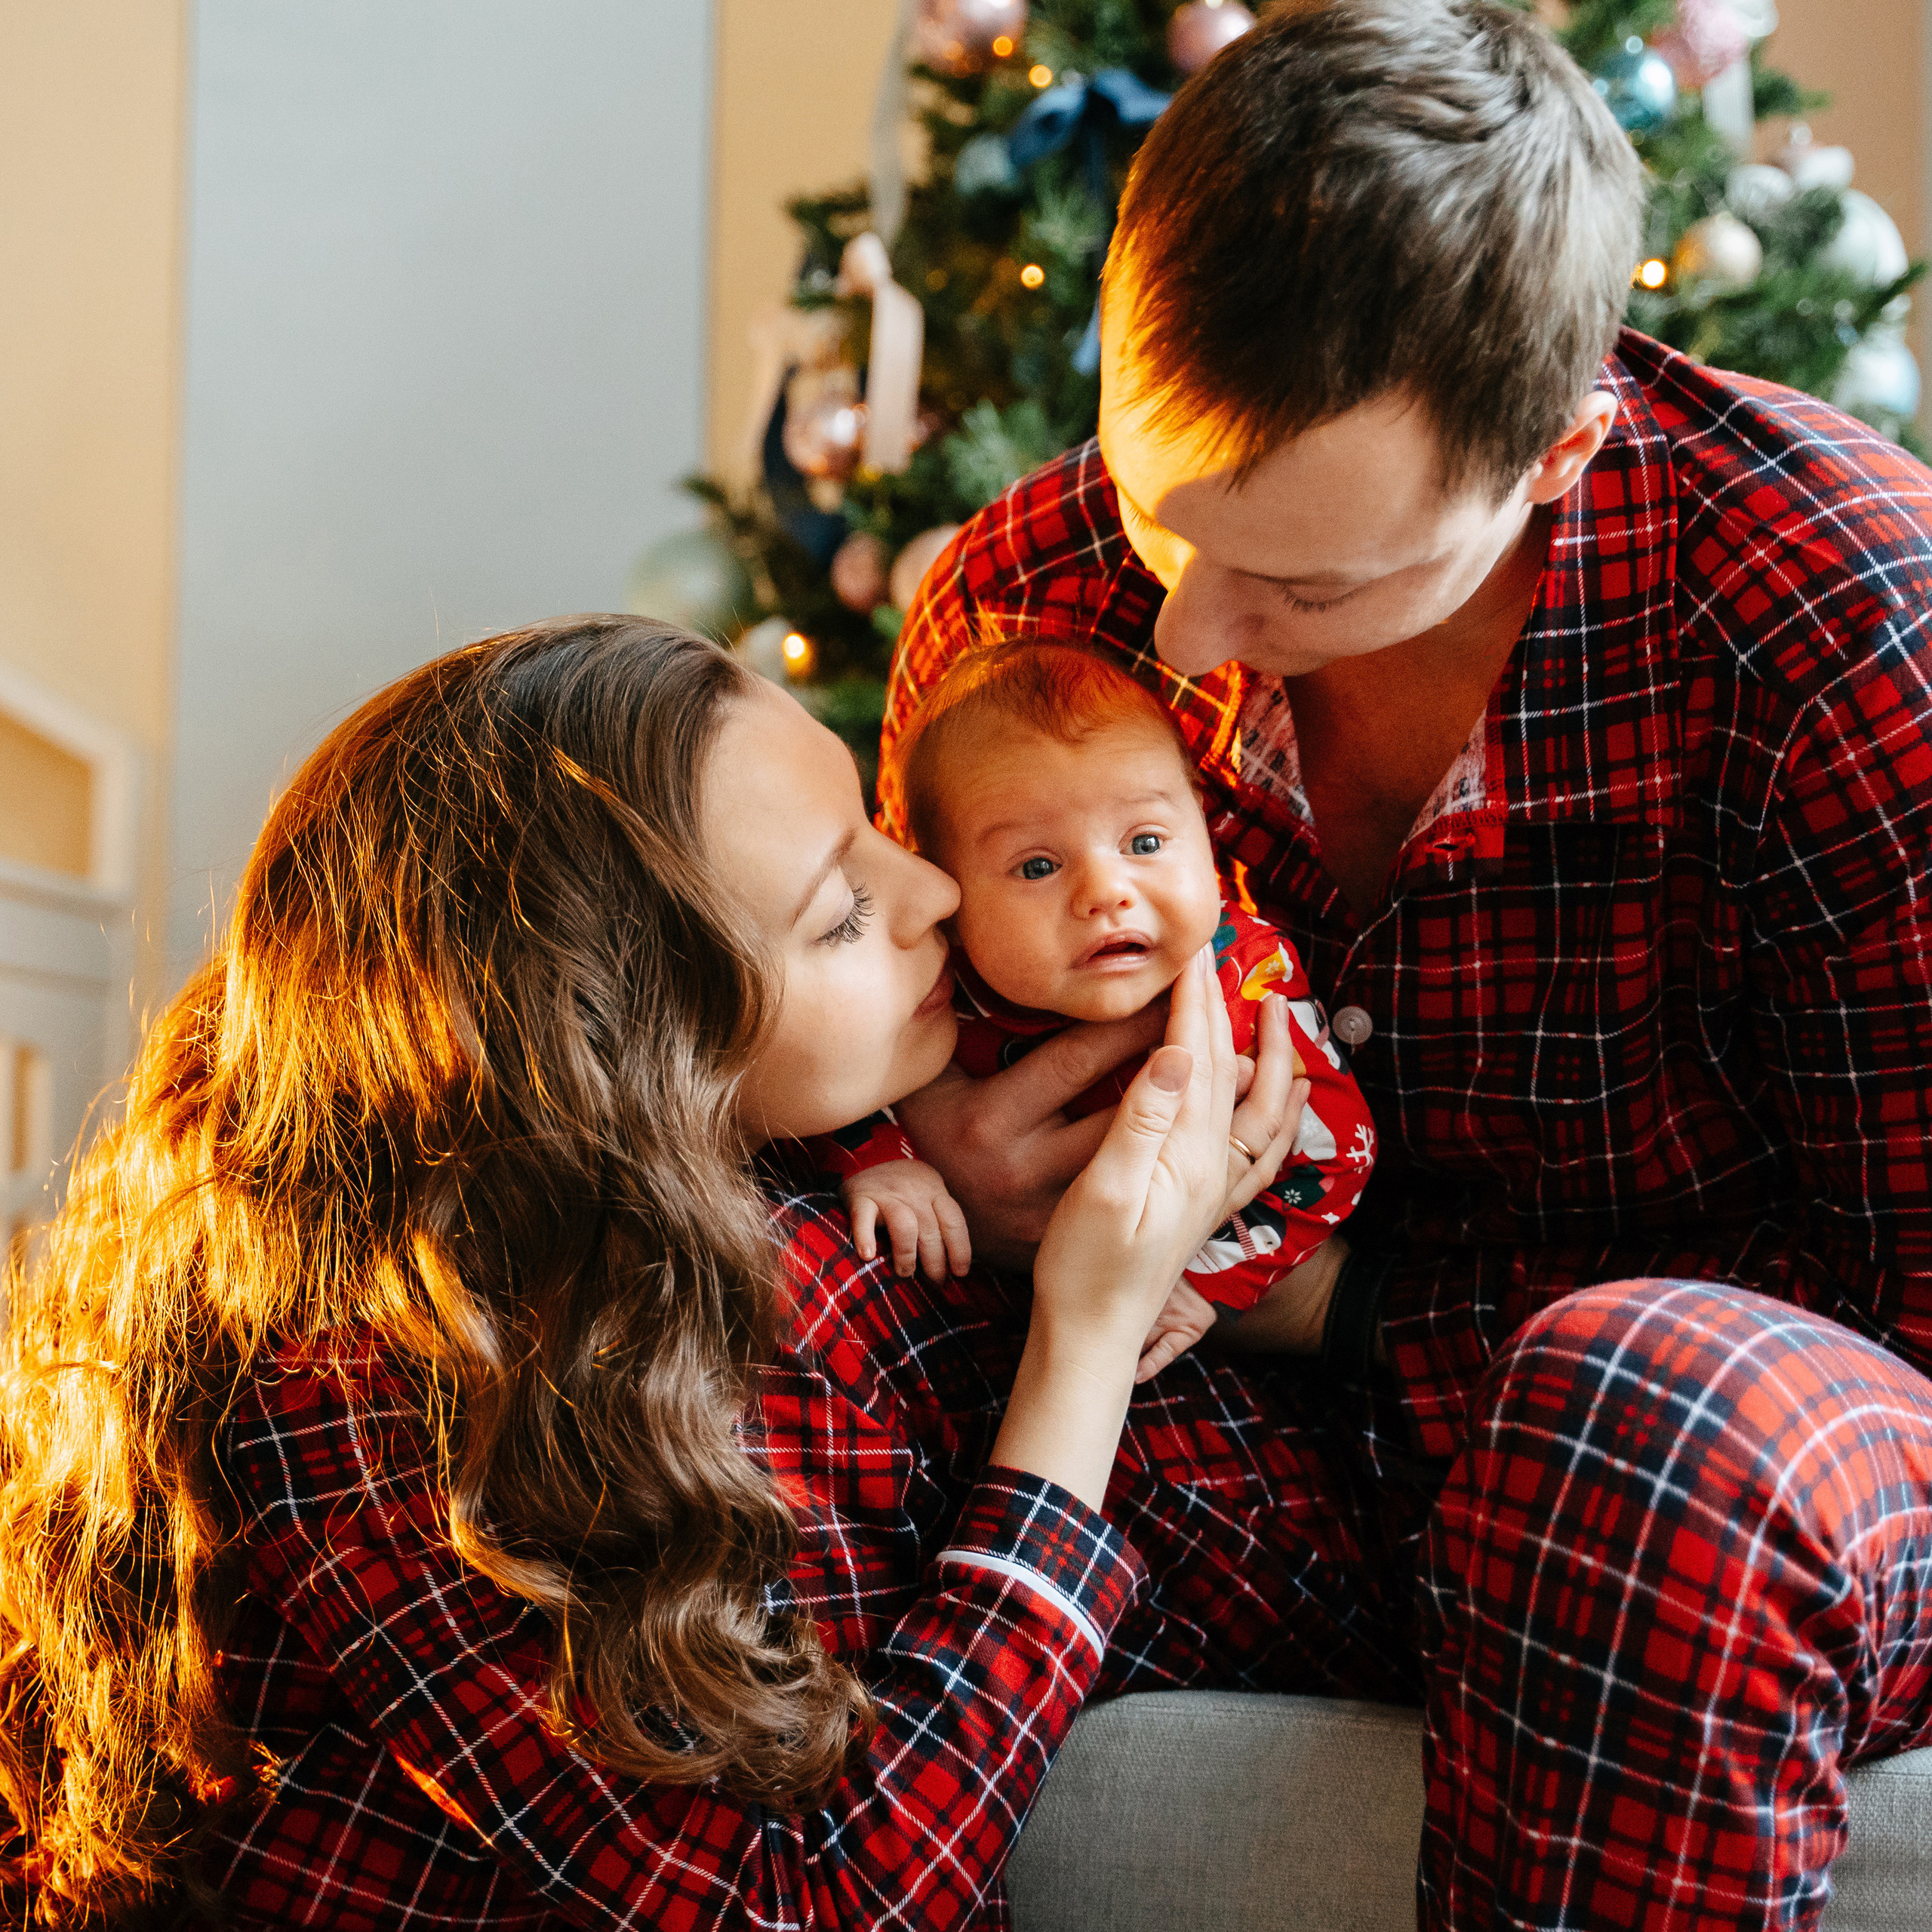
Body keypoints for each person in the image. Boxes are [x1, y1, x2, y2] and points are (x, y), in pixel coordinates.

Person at [880, 0, 1932, 1921]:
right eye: (1157, 513)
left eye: (1304, 580)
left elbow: (1905, 1307)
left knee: (1649, 1407)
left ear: (1552, 457)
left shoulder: (1837, 618)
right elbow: (897, 1083)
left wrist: (1336, 1304)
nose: (1186, 635)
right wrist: (924, 1165)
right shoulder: (1024, 609)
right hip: (1238, 1444)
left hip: (1719, 1468)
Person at [0, 615, 1337, 1930]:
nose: (937, 891)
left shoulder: (746, 1161)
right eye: (842, 915)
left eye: (878, 822)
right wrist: (1088, 1336)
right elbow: (817, 1901)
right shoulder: (391, 1385)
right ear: (632, 1056)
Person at [818, 638, 1374, 1381]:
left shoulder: (1247, 978)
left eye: (1145, 840)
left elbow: (1341, 1148)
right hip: (978, 1344)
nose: (1104, 890)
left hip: (1215, 1349)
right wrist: (881, 1160)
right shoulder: (936, 984)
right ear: (948, 886)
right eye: (1037, 866)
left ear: (1203, 831)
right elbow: (836, 1068)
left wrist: (1207, 1277)